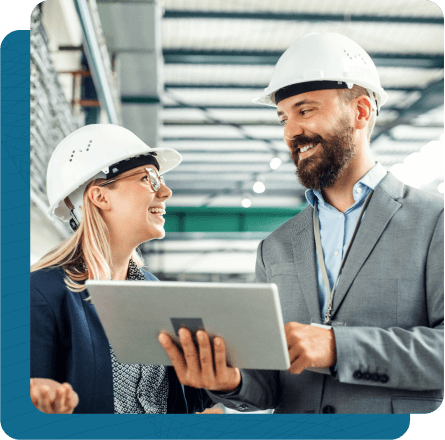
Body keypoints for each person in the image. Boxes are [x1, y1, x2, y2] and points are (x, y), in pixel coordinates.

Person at [159, 33, 444, 414]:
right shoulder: (275, 247)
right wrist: (233, 382)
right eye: (283, 117)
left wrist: (338, 347)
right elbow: (269, 383)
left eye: (305, 111)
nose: (290, 132)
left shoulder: (433, 221)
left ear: (361, 111)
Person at [30, 123, 216, 414]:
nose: (165, 191)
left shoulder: (154, 291)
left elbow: (181, 399)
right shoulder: (41, 294)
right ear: (100, 197)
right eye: (149, 178)